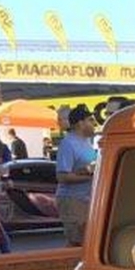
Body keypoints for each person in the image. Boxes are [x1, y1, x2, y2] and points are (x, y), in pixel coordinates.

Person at [55, 105, 99, 246]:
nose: (94, 124)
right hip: (73, 201)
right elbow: (62, 177)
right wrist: (92, 177)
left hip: (87, 199)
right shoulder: (68, 144)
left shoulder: (87, 142)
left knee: (88, 241)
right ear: (80, 123)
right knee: (77, 242)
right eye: (90, 120)